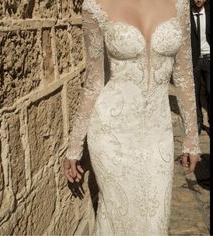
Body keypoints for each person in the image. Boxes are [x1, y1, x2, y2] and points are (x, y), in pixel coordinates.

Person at [63, 0, 201, 235]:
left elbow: (184, 75)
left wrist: (192, 138)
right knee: (119, 221)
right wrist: (75, 145)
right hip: (111, 136)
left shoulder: (179, 4)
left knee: (156, 221)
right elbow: (94, 82)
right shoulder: (94, 6)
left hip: (158, 134)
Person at [190, 0, 210, 135]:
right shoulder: (187, 15)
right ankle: (198, 122)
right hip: (193, 59)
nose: (198, 0)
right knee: (194, 93)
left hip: (209, 58)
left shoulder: (209, 13)